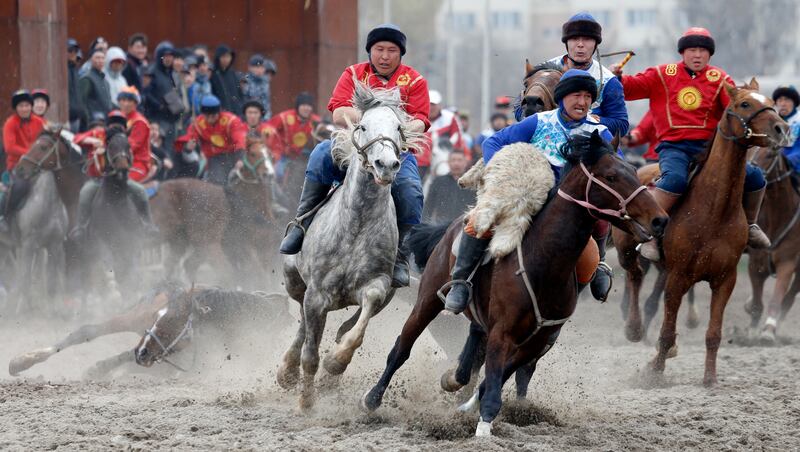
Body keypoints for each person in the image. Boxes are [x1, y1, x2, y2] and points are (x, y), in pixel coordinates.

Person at [443, 70, 613, 313]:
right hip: (526, 197)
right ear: (562, 97)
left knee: (589, 256)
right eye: (576, 95)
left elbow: (611, 168)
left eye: (588, 96)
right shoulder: (539, 121)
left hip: (571, 210)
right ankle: (460, 281)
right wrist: (501, 172)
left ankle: (599, 267)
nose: (582, 102)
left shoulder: (599, 132)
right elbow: (493, 142)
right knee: (478, 221)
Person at [278, 23, 430, 289]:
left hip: (396, 149)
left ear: (400, 54)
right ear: (370, 51)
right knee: (320, 154)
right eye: (379, 49)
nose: (384, 56)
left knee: (411, 190)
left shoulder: (414, 80)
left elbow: (421, 120)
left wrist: (392, 128)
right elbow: (338, 113)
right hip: (355, 144)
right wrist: (372, 120)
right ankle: (300, 224)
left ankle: (401, 257)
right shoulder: (353, 74)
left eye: (391, 50)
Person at [610, 27, 770, 260]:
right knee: (675, 179)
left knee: (756, 177)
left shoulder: (721, 79)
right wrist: (617, 78)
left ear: (709, 55)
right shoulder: (662, 73)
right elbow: (630, 89)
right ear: (683, 52)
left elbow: (735, 111)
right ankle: (651, 234)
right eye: (692, 50)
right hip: (674, 147)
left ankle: (751, 226)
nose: (697, 55)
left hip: (711, 149)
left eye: (703, 51)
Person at [69, 109, 157, 241]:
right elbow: (76, 139)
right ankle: (80, 227)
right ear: (108, 125)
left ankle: (148, 225)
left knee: (140, 191)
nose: (116, 126)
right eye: (113, 122)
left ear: (124, 126)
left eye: (120, 123)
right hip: (98, 179)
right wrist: (92, 141)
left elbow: (131, 158)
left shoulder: (125, 140)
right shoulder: (98, 134)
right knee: (85, 192)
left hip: (121, 179)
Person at [537, 12, 629, 138]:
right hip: (546, 141)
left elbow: (622, 125)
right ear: (566, 43)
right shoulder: (545, 70)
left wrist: (592, 120)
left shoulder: (609, 81)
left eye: (587, 39)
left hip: (588, 146)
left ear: (595, 44)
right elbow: (521, 108)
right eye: (575, 38)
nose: (580, 44)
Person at [0, 90, 47, 231]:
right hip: (18, 167)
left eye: (27, 105)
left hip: (39, 166)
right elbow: (10, 148)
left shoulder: (40, 122)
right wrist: (32, 154)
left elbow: (47, 139)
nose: (25, 108)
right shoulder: (10, 123)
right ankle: (4, 217)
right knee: (19, 187)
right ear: (16, 108)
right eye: (21, 106)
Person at [176, 94, 247, 185]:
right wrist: (188, 146)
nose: (210, 119)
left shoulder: (231, 121)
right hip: (215, 158)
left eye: (213, 116)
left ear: (219, 113)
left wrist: (240, 159)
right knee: (217, 181)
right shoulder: (198, 123)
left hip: (234, 154)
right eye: (207, 116)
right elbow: (191, 136)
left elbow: (240, 140)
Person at [266, 92, 321, 181]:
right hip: (283, 155)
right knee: (278, 173)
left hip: (305, 157)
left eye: (309, 105)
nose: (306, 108)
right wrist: (273, 149)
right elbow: (267, 129)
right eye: (303, 105)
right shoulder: (285, 117)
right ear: (297, 106)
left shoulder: (316, 121)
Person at [418, 90, 469, 180]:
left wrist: (455, 156)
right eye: (429, 104)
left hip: (444, 157)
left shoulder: (450, 118)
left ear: (439, 105)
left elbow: (458, 139)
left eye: (434, 104)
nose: (431, 107)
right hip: (421, 161)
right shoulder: (417, 118)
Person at [143, 42, 181, 157]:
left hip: (170, 117)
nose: (168, 59)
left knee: (169, 149)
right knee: (159, 150)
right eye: (165, 56)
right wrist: (159, 106)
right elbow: (145, 94)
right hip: (156, 119)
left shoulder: (170, 73)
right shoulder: (151, 72)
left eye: (171, 56)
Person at [421, 149, 475, 224]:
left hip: (464, 226)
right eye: (453, 160)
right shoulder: (438, 181)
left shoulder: (472, 184)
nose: (456, 163)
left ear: (465, 163)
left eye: (460, 160)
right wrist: (425, 223)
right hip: (441, 226)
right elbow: (428, 206)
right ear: (448, 163)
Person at [79, 48, 113, 129]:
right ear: (91, 59)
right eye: (97, 57)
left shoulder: (105, 81)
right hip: (92, 122)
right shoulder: (87, 78)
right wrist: (88, 120)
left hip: (105, 121)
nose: (100, 60)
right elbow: (82, 102)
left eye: (102, 58)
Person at [773, 85, 800, 185]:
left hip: (795, 169)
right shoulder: (771, 122)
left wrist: (784, 161)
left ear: (794, 103)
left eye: (787, 100)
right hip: (773, 168)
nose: (783, 104)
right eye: (780, 100)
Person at [210, 44, 243, 116]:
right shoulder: (213, 74)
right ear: (218, 58)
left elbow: (239, 94)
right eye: (223, 57)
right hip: (220, 113)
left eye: (228, 56)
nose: (226, 59)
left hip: (236, 113)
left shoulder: (233, 74)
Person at [242, 54, 274, 120]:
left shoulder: (265, 81)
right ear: (250, 68)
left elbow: (266, 101)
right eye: (257, 67)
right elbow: (244, 101)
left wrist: (267, 116)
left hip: (265, 117)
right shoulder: (245, 80)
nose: (260, 69)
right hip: (250, 117)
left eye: (262, 67)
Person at [67, 38, 85, 131]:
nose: (73, 53)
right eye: (70, 50)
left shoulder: (75, 70)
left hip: (77, 117)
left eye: (75, 51)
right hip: (67, 118)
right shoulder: (63, 70)